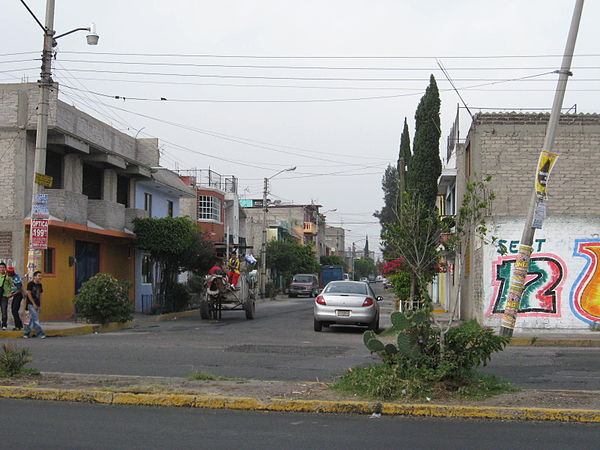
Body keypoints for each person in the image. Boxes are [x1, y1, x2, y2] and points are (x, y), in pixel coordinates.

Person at [24, 270, 45, 339]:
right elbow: (28, 294)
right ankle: (40, 333)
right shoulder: (30, 284)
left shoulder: (40, 285)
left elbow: (40, 295)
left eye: (41, 276)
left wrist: (40, 305)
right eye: (39, 276)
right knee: (36, 319)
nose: (40, 277)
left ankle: (27, 333)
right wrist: (34, 304)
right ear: (34, 277)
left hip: (37, 304)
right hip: (31, 304)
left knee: (33, 320)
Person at [7, 266, 24, 331]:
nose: (8, 273)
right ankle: (19, 325)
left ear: (12, 272)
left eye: (9, 272)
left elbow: (19, 289)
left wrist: (11, 295)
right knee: (14, 310)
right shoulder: (12, 277)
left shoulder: (16, 278)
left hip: (18, 295)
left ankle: (17, 326)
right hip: (15, 295)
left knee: (14, 310)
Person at [0, 262, 12, 330]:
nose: (2, 269)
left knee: (4, 310)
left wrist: (10, 294)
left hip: (4, 296)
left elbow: (13, 286)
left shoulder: (8, 277)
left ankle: (4, 324)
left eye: (3, 267)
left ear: (5, 268)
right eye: (0, 267)